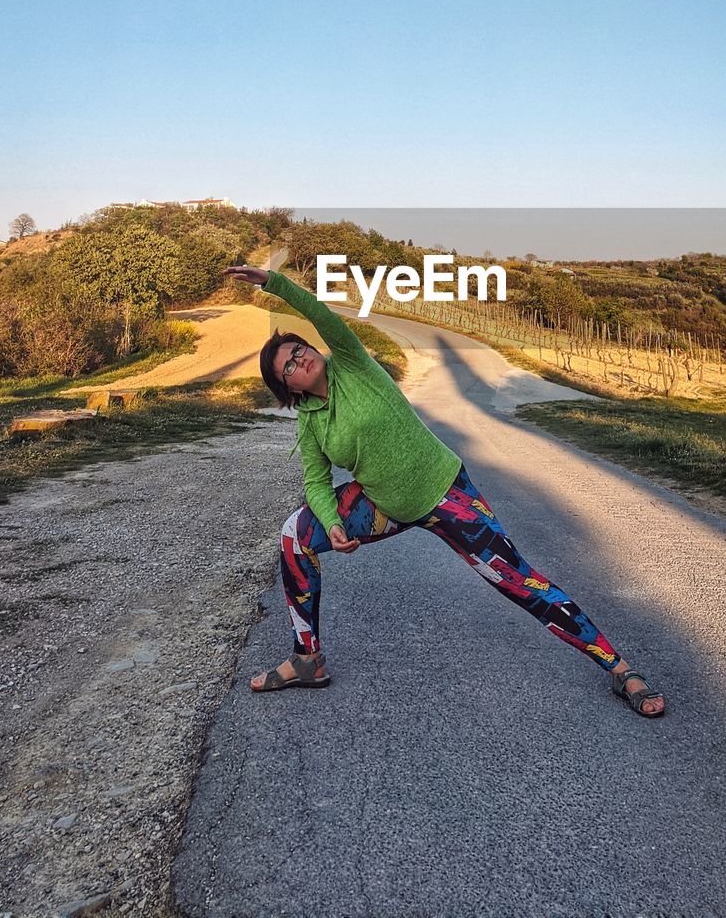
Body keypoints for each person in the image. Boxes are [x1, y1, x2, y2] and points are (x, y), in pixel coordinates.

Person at [225, 264, 665, 718]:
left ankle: (619, 667)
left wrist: (273, 282)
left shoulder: (350, 364)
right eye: (289, 366)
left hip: (446, 494)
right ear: (287, 387)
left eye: (298, 350)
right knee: (294, 534)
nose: (300, 359)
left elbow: (324, 315)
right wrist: (334, 524)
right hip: (383, 505)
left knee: (519, 582)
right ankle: (307, 658)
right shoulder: (310, 421)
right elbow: (315, 481)